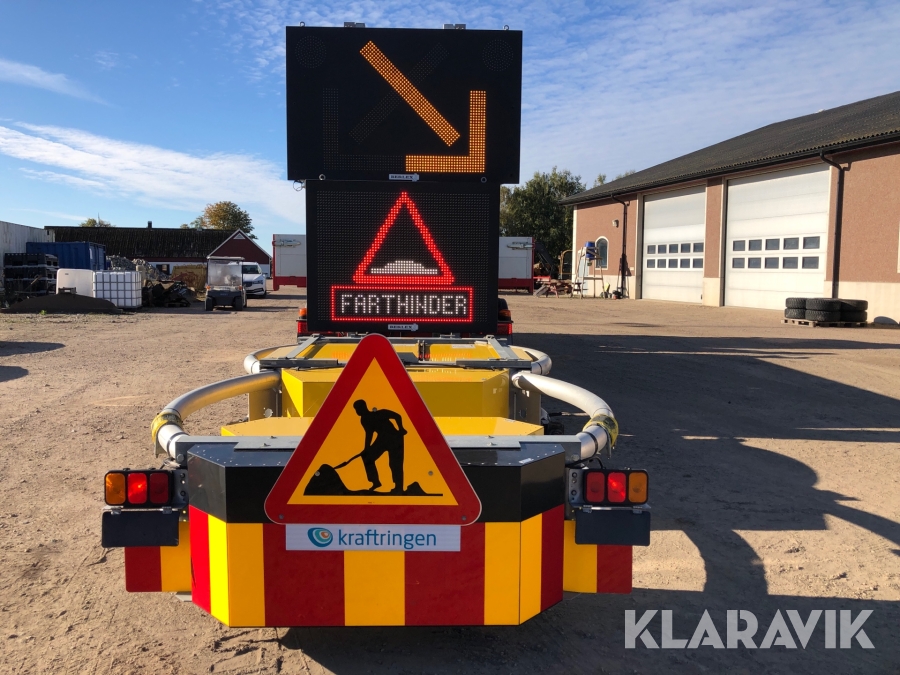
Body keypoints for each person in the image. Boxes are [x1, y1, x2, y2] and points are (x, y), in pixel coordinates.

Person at [352, 399, 406, 493]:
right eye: (355, 409)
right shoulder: (364, 420)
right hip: (382, 439)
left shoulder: (380, 413)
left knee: (395, 463)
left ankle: (399, 487)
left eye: (358, 409)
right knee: (367, 457)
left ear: (363, 407)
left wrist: (401, 428)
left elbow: (397, 416)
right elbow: (369, 433)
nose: (357, 411)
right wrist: (366, 448)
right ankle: (375, 482)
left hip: (394, 438)